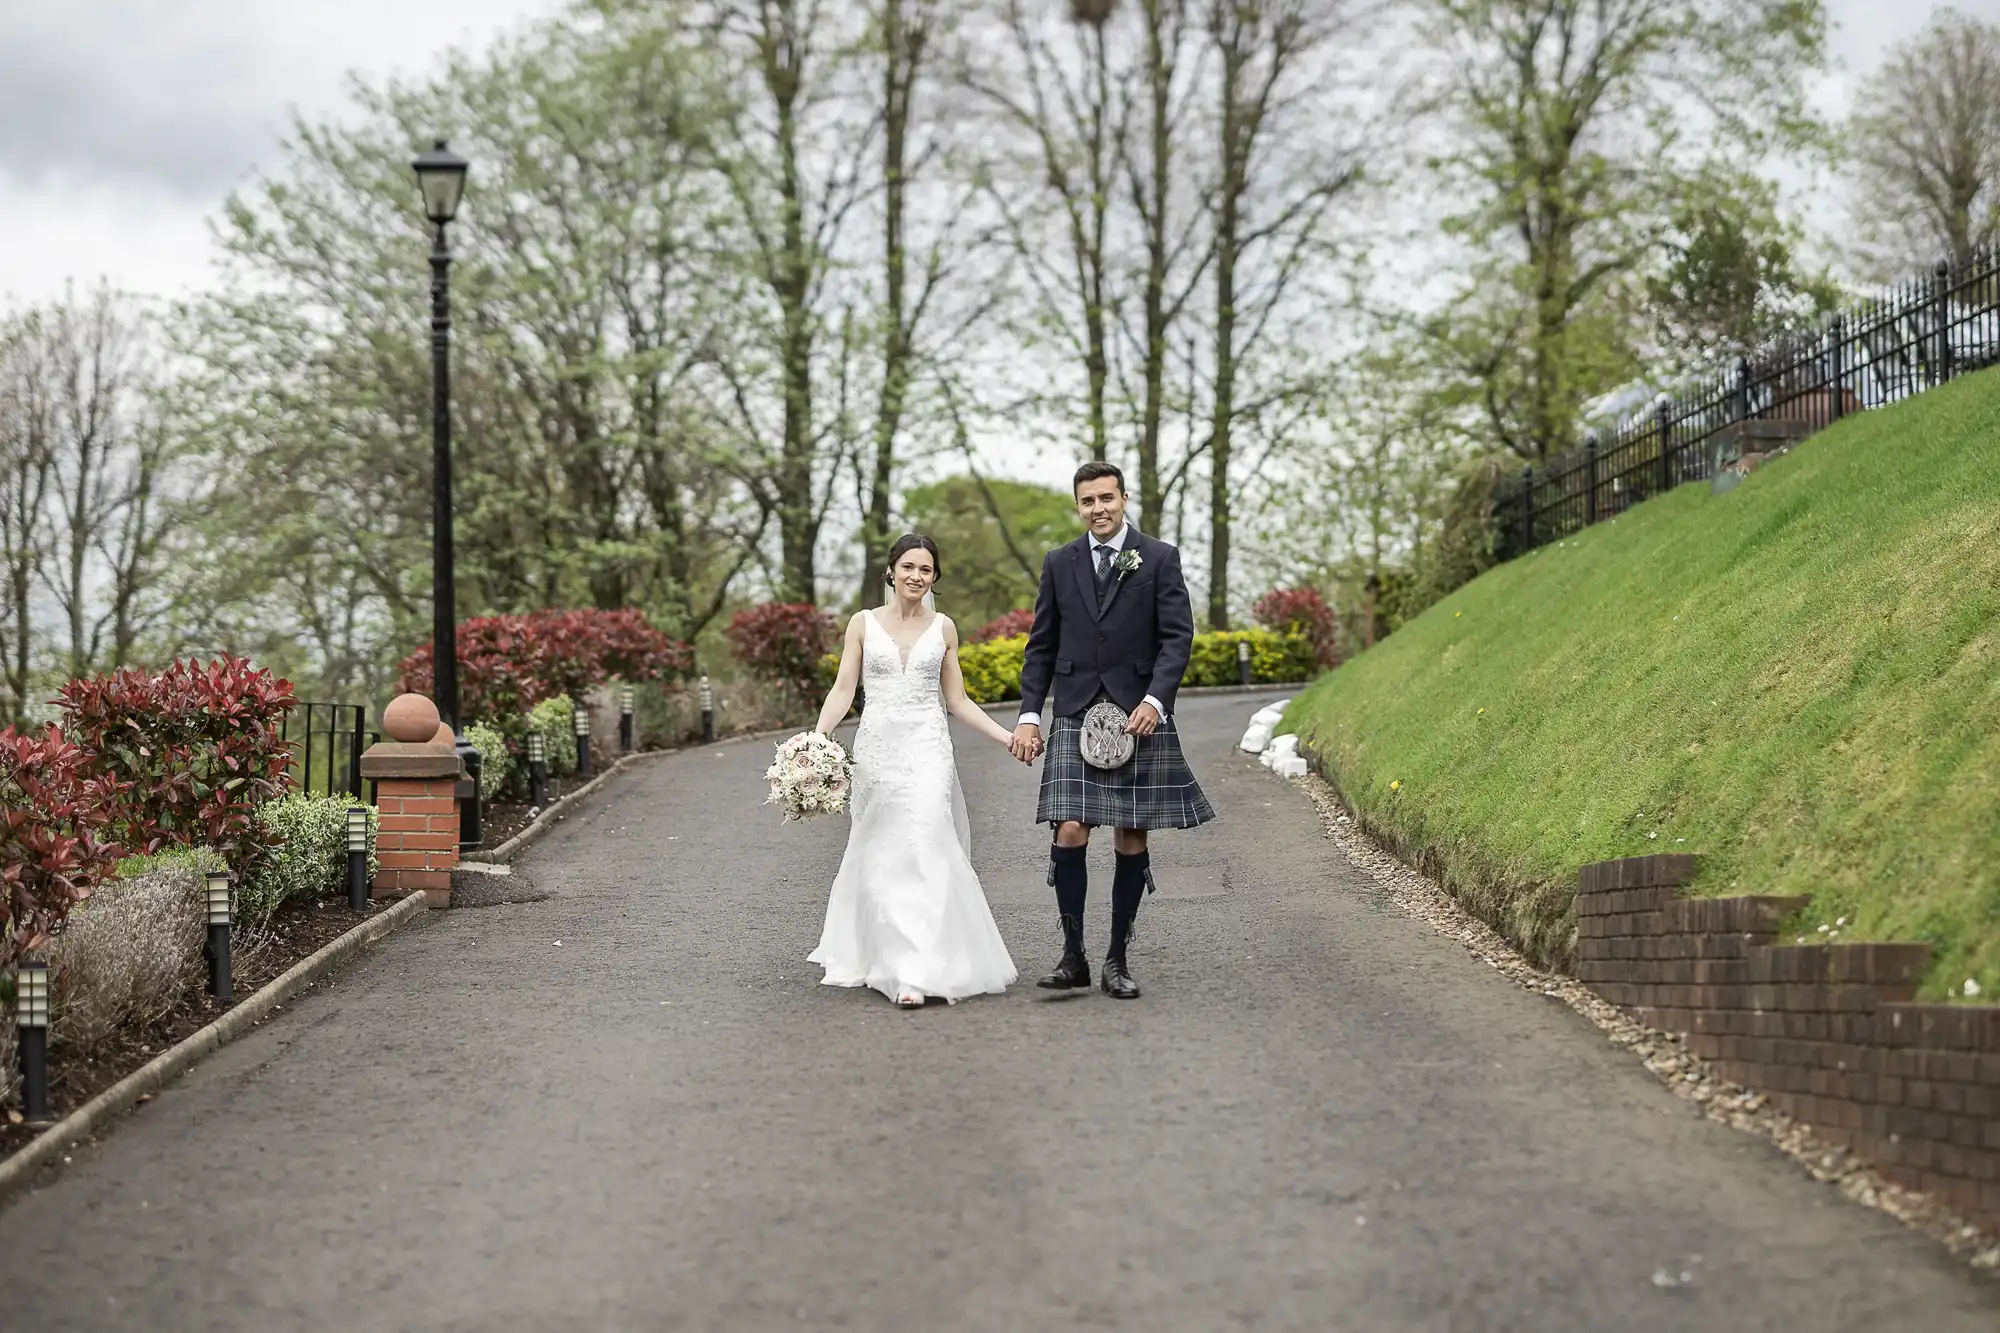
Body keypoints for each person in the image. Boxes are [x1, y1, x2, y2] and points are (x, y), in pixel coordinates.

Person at [1008, 462, 1214, 999]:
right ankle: (1072, 955)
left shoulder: (1159, 557)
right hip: (1075, 708)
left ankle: (1117, 959)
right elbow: (1042, 646)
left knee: (1130, 833)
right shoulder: (1059, 563)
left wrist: (1155, 699)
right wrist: (1031, 713)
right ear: (1078, 507)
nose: (1098, 508)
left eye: (1106, 498)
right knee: (1071, 827)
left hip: (1136, 711)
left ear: (1124, 498)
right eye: (1087, 501)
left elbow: (1177, 638)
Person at [807, 534, 1023, 1008]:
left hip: (928, 748)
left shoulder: (944, 628)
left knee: (925, 841)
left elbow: (958, 701)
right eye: (908, 566)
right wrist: (816, 740)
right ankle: (886, 959)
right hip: (877, 750)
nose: (915, 577)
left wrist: (1007, 736)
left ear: (934, 578)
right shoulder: (862, 624)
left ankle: (917, 970)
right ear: (891, 570)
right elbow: (844, 691)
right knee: (881, 848)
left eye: (925, 570)